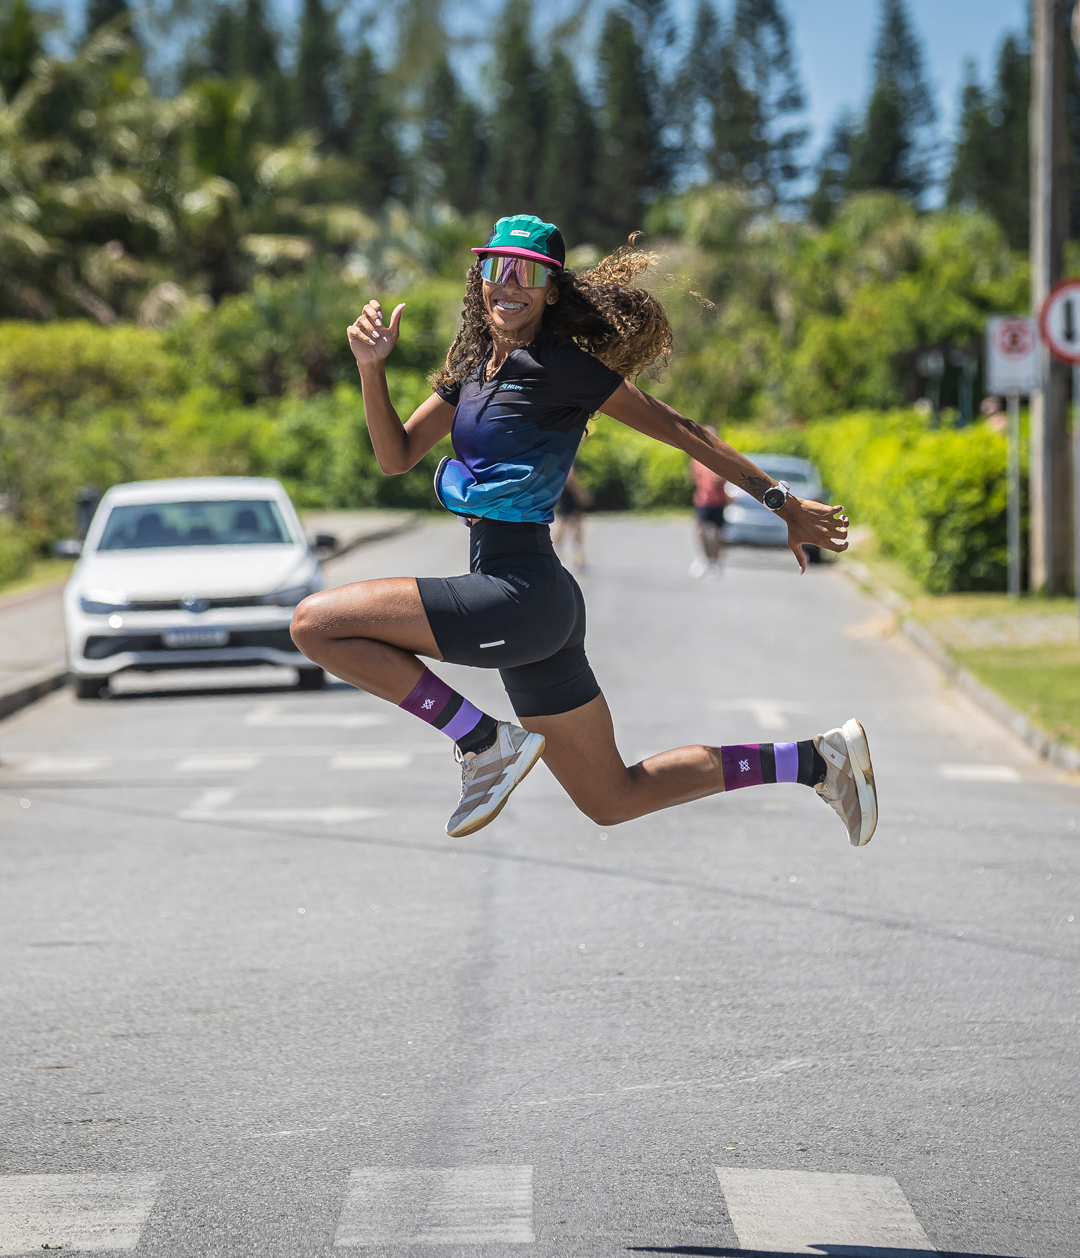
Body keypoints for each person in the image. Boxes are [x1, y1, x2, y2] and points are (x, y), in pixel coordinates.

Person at [290, 215, 876, 847]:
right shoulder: (472, 373)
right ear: (477, 278)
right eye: (496, 268)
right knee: (611, 798)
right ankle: (817, 760)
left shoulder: (562, 367)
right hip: (538, 607)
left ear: (551, 289)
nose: (508, 284)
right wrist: (371, 368)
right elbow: (396, 455)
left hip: (520, 593)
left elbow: (684, 430)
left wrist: (781, 502)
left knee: (315, 624)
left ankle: (481, 741)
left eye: (528, 273)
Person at [688, 426, 728, 577]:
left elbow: (724, 476)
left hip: (719, 500)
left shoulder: (722, 456)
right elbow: (693, 475)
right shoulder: (697, 456)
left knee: (719, 532)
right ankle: (704, 558)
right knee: (701, 530)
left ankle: (715, 561)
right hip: (703, 499)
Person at [552, 464, 593, 574]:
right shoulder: (570, 449)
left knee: (570, 522)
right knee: (568, 522)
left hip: (564, 489)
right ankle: (574, 559)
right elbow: (570, 476)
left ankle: (576, 558)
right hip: (568, 491)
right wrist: (580, 492)